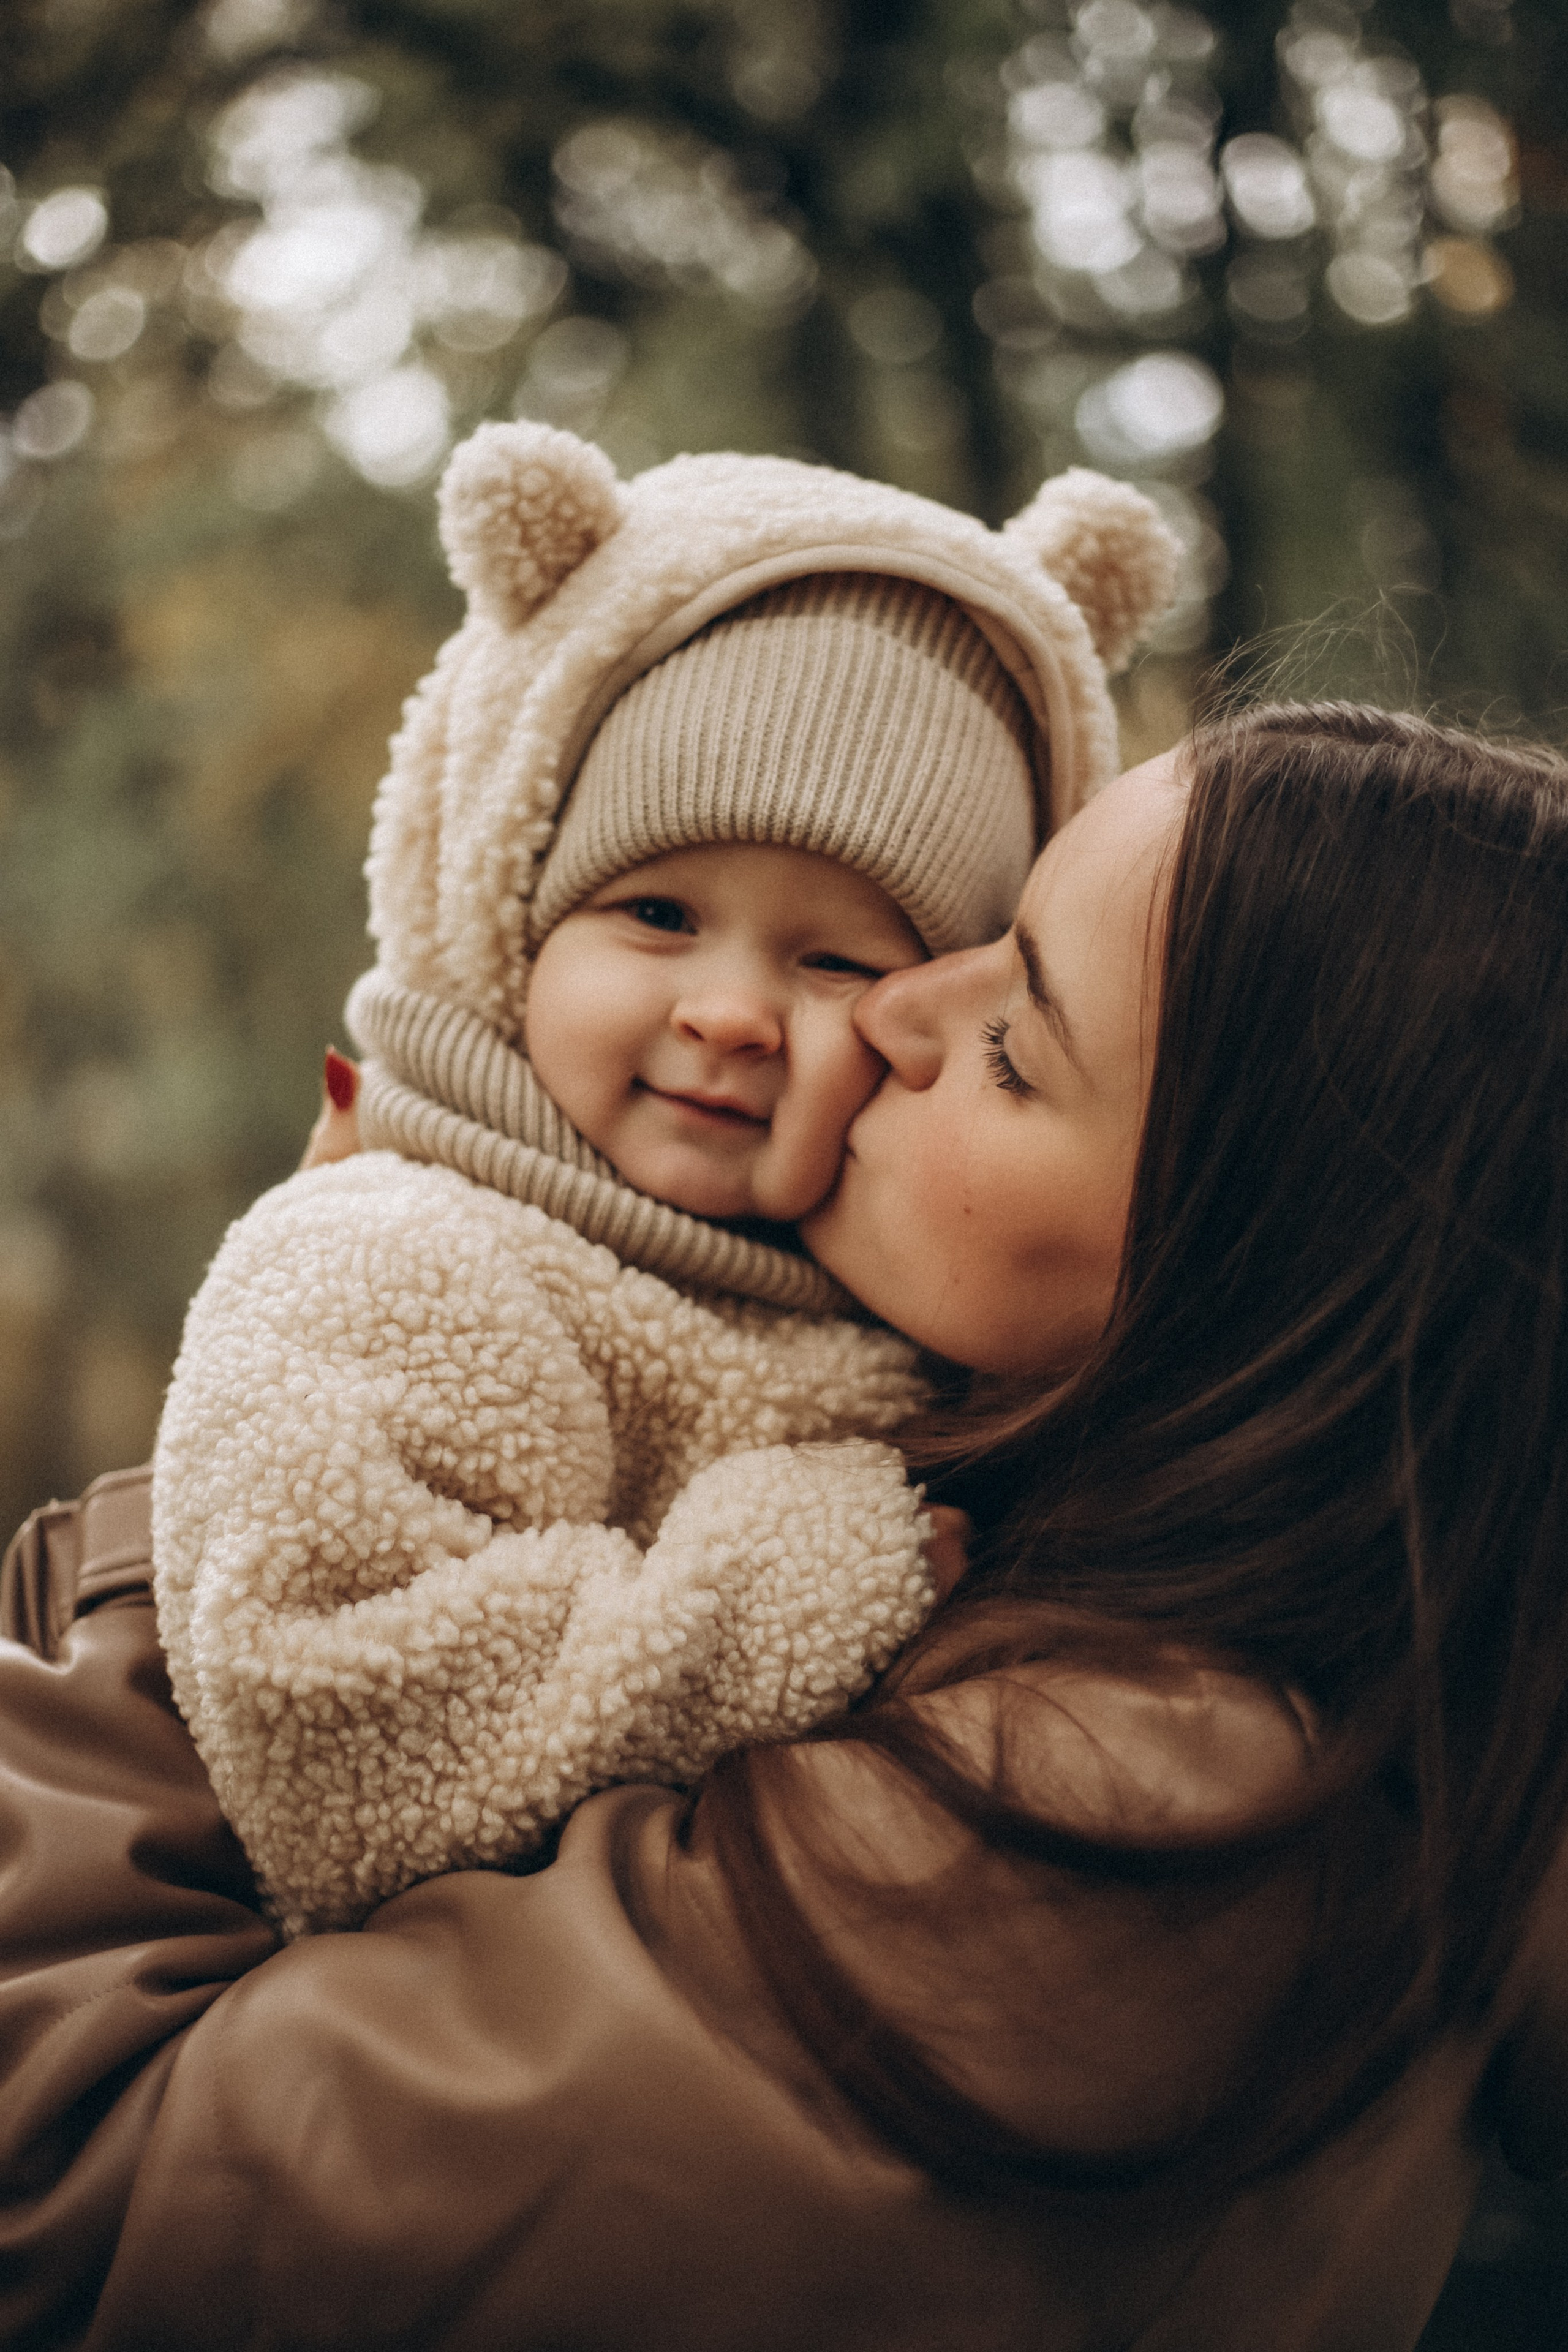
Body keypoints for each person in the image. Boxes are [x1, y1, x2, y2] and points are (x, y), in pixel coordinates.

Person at [3, 704, 1566, 2351]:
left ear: (1254, 1289)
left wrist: (247, 1461)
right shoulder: (1134, 1666)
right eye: (988, 936)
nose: (889, 1006)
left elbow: (80, 2191)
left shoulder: (1109, 1866)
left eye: (1016, 1045)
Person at [148, 420, 1178, 1937]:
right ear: (512, 917)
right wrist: (799, 1576)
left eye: (838, 960)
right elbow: (346, 1735)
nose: (732, 1011)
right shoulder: (398, 1256)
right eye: (657, 914)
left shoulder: (911, 1311)